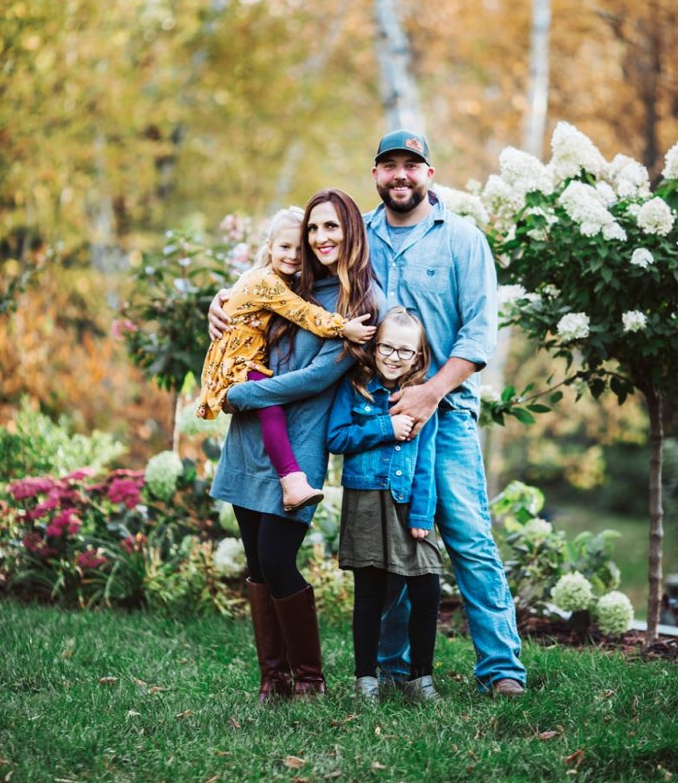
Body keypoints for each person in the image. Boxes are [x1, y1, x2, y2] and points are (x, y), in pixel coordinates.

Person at [209, 129, 526, 696]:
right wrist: (225, 302)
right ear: (376, 174)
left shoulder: (461, 240)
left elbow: (480, 335)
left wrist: (430, 393)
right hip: (370, 416)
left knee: (468, 536)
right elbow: (284, 273)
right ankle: (391, 669)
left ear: (429, 173)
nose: (400, 175)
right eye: (389, 165)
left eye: (412, 165)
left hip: (442, 414)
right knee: (383, 549)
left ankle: (501, 671)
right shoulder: (361, 237)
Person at [209, 189, 382, 701]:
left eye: (331, 228)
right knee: (257, 563)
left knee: (278, 557)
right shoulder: (291, 283)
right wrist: (216, 303)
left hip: (297, 444)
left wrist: (240, 393)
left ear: (352, 232)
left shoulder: (361, 305)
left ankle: (310, 680)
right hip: (250, 438)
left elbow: (314, 379)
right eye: (313, 229)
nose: (320, 238)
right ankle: (273, 680)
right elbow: (243, 308)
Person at [196, 205, 375, 512]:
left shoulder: (294, 283)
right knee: (270, 408)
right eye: (284, 247)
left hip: (251, 367)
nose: (293, 255)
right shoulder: (270, 283)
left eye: (299, 249)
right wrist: (343, 328)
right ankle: (291, 478)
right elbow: (302, 313)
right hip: (241, 362)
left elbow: (318, 375)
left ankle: (291, 478)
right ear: (269, 247)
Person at [327, 307, 443, 702]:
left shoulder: (424, 399)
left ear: (418, 356)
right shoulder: (354, 386)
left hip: (408, 502)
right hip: (365, 501)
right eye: (387, 347)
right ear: (373, 346)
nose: (394, 357)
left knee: (426, 587)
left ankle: (419, 679)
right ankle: (366, 681)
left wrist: (423, 513)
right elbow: (336, 437)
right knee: (371, 592)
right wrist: (384, 428)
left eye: (405, 351)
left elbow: (426, 462)